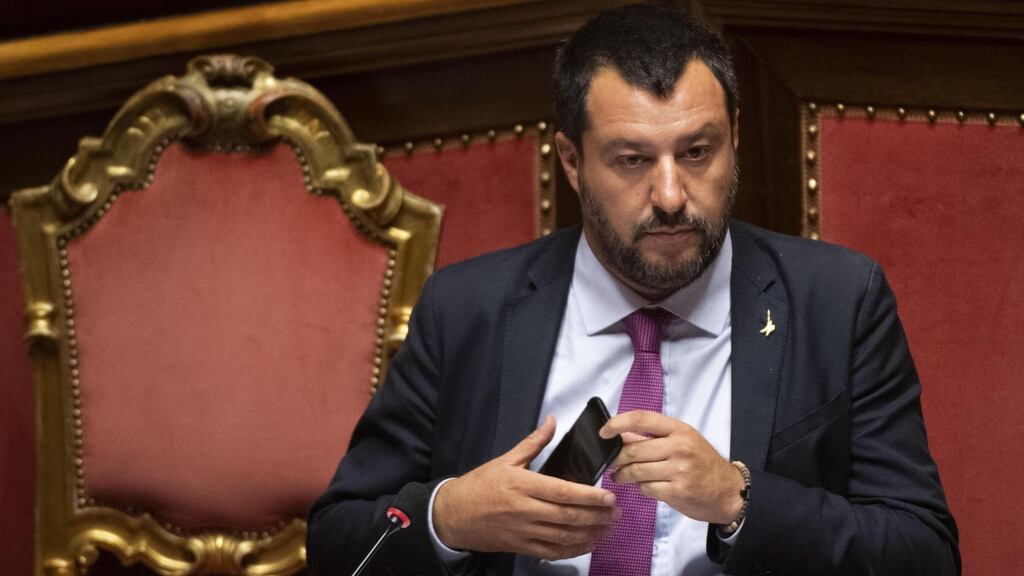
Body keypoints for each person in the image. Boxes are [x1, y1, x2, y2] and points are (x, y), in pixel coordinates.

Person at [307, 4, 959, 575]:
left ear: (737, 139)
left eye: (698, 152)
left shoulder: (838, 303)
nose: (672, 195)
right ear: (571, 160)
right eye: (632, 160)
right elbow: (336, 544)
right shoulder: (467, 309)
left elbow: (924, 554)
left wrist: (738, 501)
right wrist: (448, 519)